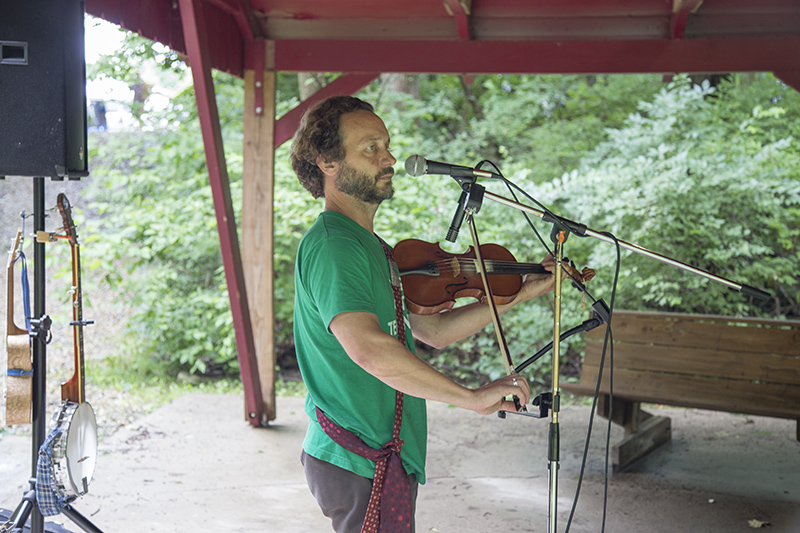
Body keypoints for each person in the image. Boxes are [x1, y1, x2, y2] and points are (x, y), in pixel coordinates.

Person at [290, 95, 559, 533]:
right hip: (359, 457)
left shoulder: (373, 247)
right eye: (370, 148)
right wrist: (470, 398)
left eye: (387, 145)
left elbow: (431, 330)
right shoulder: (334, 246)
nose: (390, 158)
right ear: (327, 162)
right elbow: (370, 351)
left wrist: (516, 295)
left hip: (379, 455)